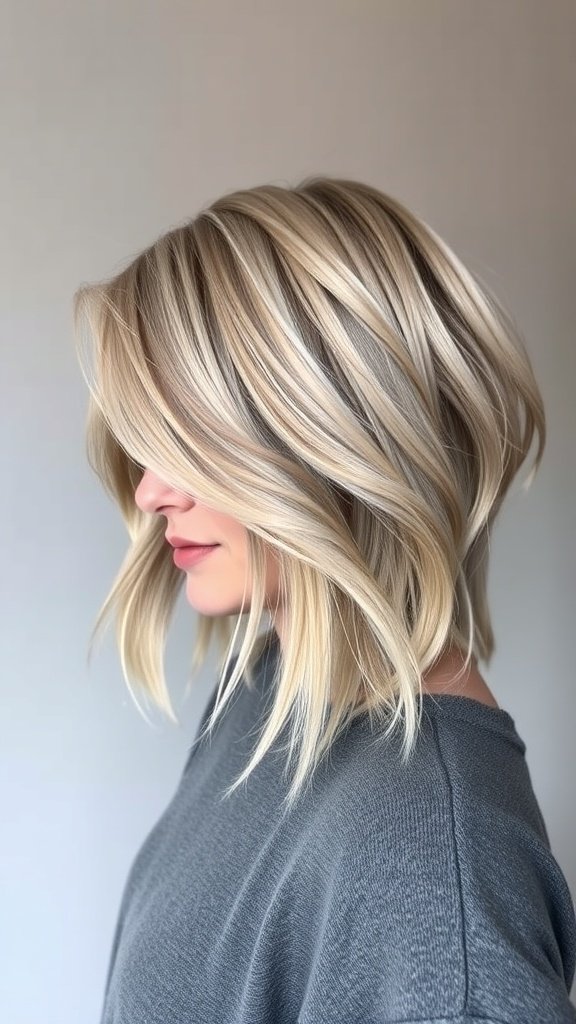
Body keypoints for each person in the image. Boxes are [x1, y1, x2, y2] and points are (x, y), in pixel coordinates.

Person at [73, 176, 576, 1023]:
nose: (151, 489)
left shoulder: (432, 869)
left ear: (335, 433)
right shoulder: (270, 687)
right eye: (148, 439)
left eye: (190, 440)